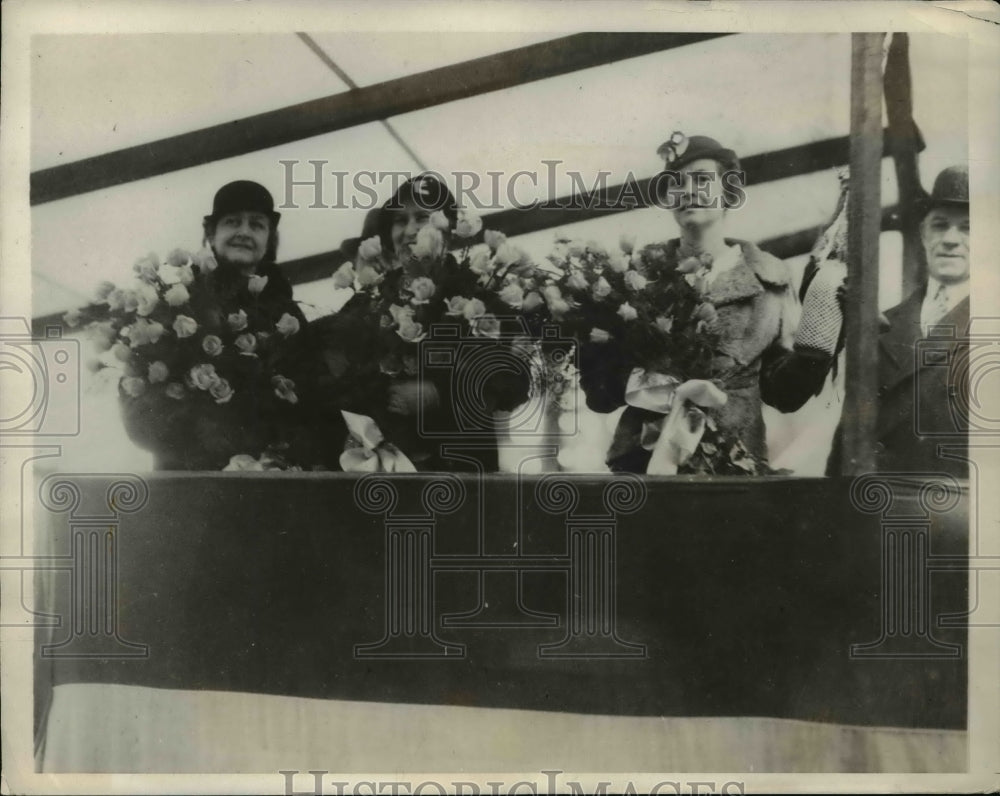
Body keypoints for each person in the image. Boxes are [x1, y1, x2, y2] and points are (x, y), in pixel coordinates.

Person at [582, 133, 800, 473]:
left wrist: (823, 339)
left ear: (729, 190)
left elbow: (784, 393)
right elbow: (601, 391)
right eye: (675, 184)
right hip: (645, 462)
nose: (686, 191)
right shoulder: (634, 276)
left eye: (701, 179)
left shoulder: (771, 279)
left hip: (735, 464)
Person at [311, 174, 530, 472]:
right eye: (400, 220)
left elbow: (513, 380)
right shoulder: (369, 299)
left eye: (423, 217)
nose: (410, 229)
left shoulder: (478, 293)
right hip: (378, 466)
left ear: (449, 231)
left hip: (459, 467)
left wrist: (438, 392)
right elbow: (332, 372)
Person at [120, 180, 342, 469]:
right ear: (211, 234)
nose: (244, 233)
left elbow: (312, 402)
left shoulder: (287, 313)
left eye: (257, 225)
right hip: (193, 481)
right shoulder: (174, 304)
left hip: (273, 480)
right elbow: (139, 419)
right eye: (233, 222)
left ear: (269, 239)